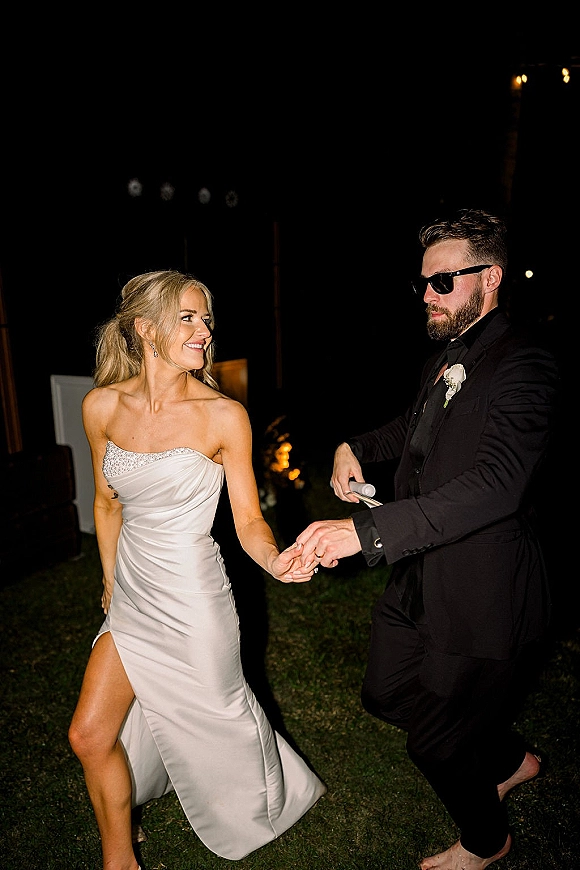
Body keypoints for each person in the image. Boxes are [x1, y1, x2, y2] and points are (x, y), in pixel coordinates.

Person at [295, 209, 559, 870]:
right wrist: (352, 446)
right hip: (417, 569)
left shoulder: (525, 363)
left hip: (482, 587)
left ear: (490, 277)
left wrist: (368, 531)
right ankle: (507, 758)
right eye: (423, 283)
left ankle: (484, 840)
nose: (427, 295)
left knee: (436, 742)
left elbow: (499, 484)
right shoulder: (445, 355)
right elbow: (408, 430)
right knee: (384, 693)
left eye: (443, 281)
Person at [68, 270, 326, 870]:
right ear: (144, 328)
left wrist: (274, 560)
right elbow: (108, 503)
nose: (203, 330)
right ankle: (119, 862)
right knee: (88, 734)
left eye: (206, 319)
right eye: (187, 317)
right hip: (133, 598)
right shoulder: (101, 406)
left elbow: (247, 521)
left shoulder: (223, 416)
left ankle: (273, 798)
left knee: (225, 715)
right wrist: (109, 579)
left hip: (194, 599)